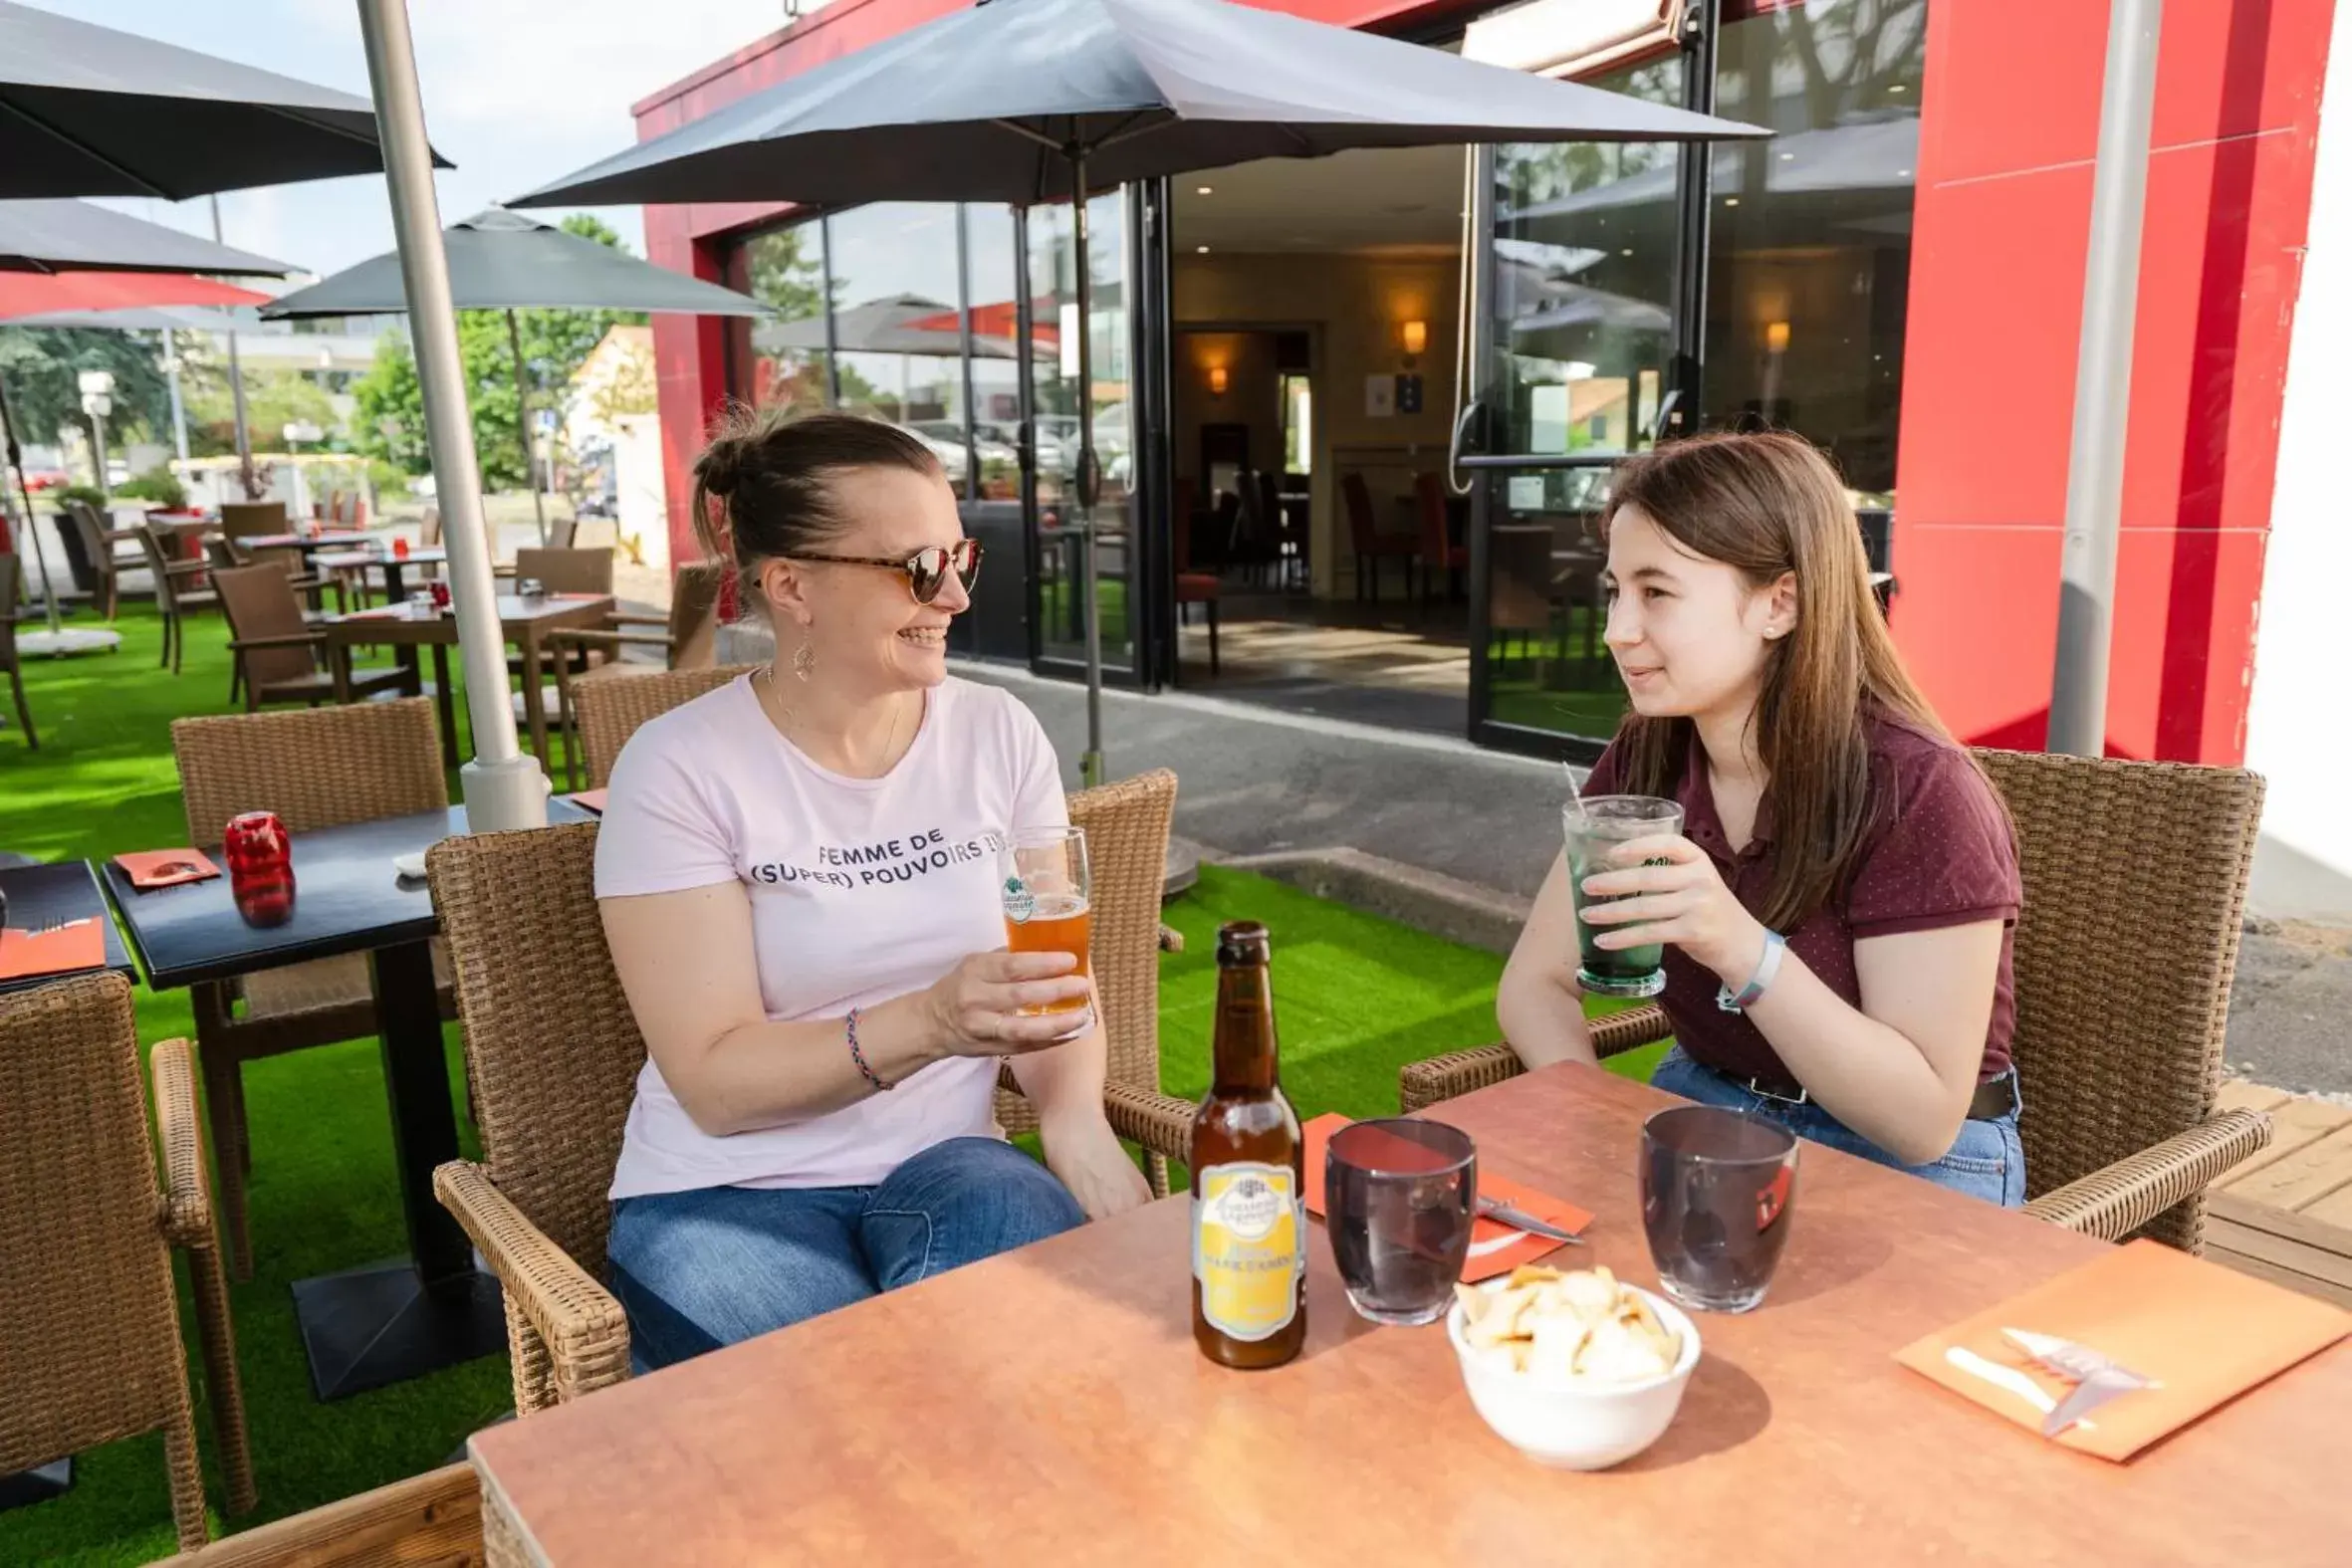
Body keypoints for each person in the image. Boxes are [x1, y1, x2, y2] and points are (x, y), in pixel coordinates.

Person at [593, 407, 1151, 1369]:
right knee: (857, 1396)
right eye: (915, 569)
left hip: (950, 1163)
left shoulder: (998, 733)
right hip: (725, 1192)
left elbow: (1054, 974)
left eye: (959, 559)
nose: (955, 598)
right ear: (791, 585)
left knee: (1049, 1343)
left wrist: (1074, 1118)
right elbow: (717, 1086)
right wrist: (933, 1020)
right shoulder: (679, 769)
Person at [1498, 431, 2026, 1205]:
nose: (1617, 629)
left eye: (1657, 592)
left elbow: (1922, 1120)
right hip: (1705, 1110)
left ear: (1779, 602)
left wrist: (1740, 947)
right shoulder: (1651, 753)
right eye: (1615, 590)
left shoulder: (1917, 790)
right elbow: (1534, 983)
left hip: (1911, 1169)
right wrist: (1598, 1114)